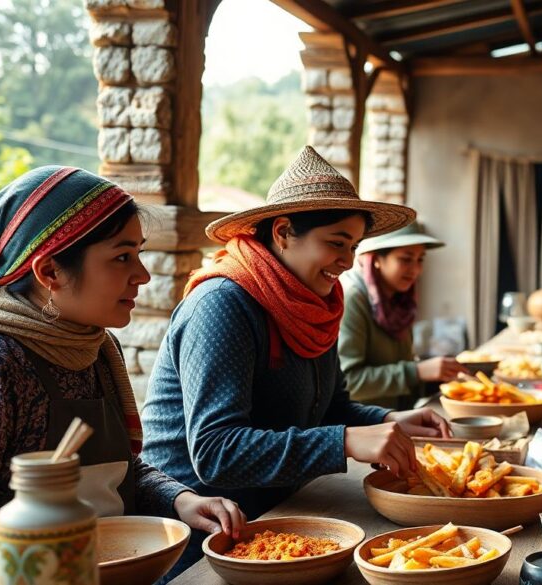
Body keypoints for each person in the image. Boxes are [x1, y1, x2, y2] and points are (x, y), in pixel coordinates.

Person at [139, 147, 450, 577]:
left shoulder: (315, 305)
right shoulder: (222, 304)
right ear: (283, 232)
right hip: (205, 536)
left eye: (354, 246)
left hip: (283, 516)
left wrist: (389, 419)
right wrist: (344, 442)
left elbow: (331, 409)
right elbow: (215, 451)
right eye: (336, 243)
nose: (347, 261)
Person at [0, 166, 245, 537]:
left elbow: (119, 471)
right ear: (50, 272)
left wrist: (180, 499)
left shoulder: (98, 349)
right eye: (122, 257)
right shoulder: (1, 365)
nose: (143, 275)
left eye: (138, 253)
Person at [339, 221, 467, 409]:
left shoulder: (402, 301)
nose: (416, 270)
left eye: (420, 260)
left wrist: (437, 377)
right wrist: (417, 371)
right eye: (406, 259)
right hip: (366, 421)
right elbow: (349, 381)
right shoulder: (353, 299)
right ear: (376, 259)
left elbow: (402, 366)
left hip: (400, 414)